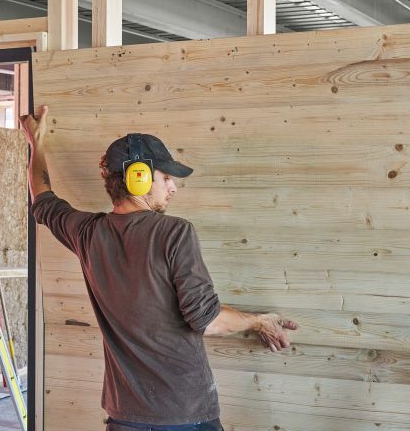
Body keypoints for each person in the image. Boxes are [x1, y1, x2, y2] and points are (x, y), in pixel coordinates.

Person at [20, 106, 298, 431]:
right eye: (166, 177)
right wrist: (259, 321)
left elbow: (44, 200)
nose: (173, 187)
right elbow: (206, 322)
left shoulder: (87, 234)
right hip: (183, 414)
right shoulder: (174, 233)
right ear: (138, 177)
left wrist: (35, 145)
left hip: (124, 416)